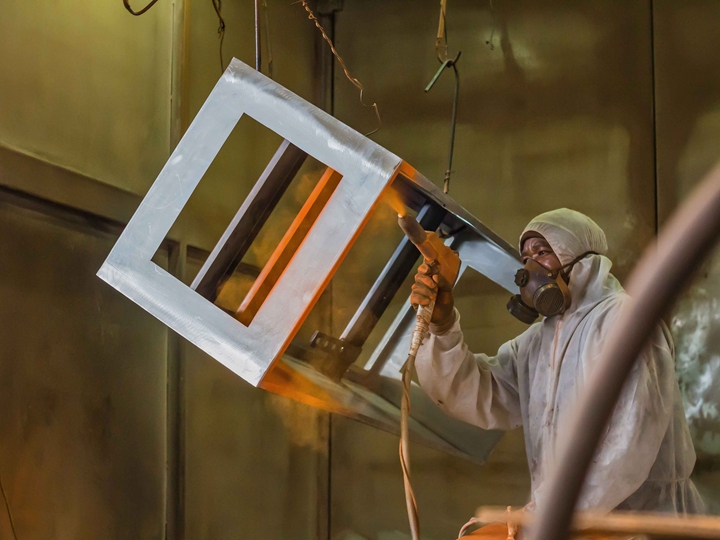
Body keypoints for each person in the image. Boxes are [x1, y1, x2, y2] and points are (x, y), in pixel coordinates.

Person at [411, 208, 704, 514]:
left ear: (581, 258)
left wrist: (541, 517)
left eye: (542, 252)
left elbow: (624, 447)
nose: (530, 269)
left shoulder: (625, 320)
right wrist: (442, 325)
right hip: (571, 521)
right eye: (526, 257)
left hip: (642, 523)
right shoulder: (539, 342)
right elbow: (477, 392)